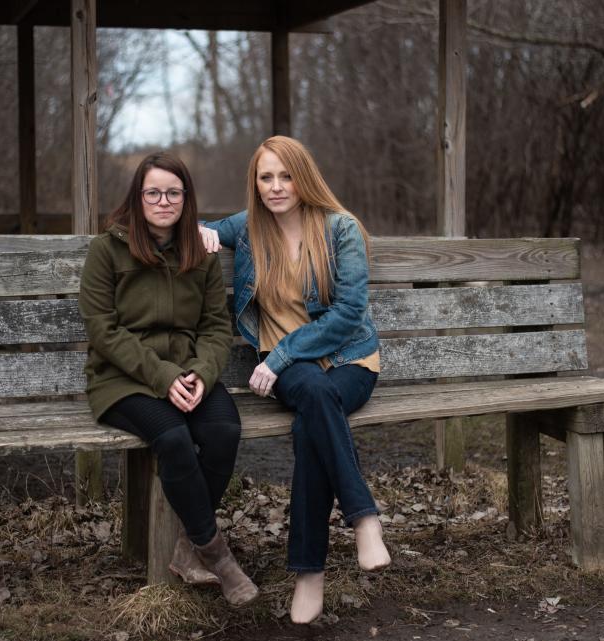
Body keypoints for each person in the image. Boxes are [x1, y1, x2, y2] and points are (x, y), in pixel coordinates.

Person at [199, 136, 390, 624]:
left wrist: (281, 354)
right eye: (266, 177)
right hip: (293, 373)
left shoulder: (340, 229)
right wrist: (200, 234)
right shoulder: (249, 227)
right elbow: (205, 230)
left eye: (286, 176)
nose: (276, 187)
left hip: (348, 361)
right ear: (255, 183)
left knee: (311, 421)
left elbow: (348, 314)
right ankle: (363, 517)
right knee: (313, 397)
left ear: (304, 178)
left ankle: (310, 575)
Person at [79, 152, 259, 606]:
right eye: (153, 192)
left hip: (187, 372)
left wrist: (201, 372)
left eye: (173, 192)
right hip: (121, 378)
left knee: (223, 430)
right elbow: (103, 330)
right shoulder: (107, 250)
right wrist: (163, 377)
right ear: (138, 198)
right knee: (174, 438)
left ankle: (187, 546)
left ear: (186, 198)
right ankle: (217, 554)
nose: (164, 200)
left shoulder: (198, 254)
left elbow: (217, 327)